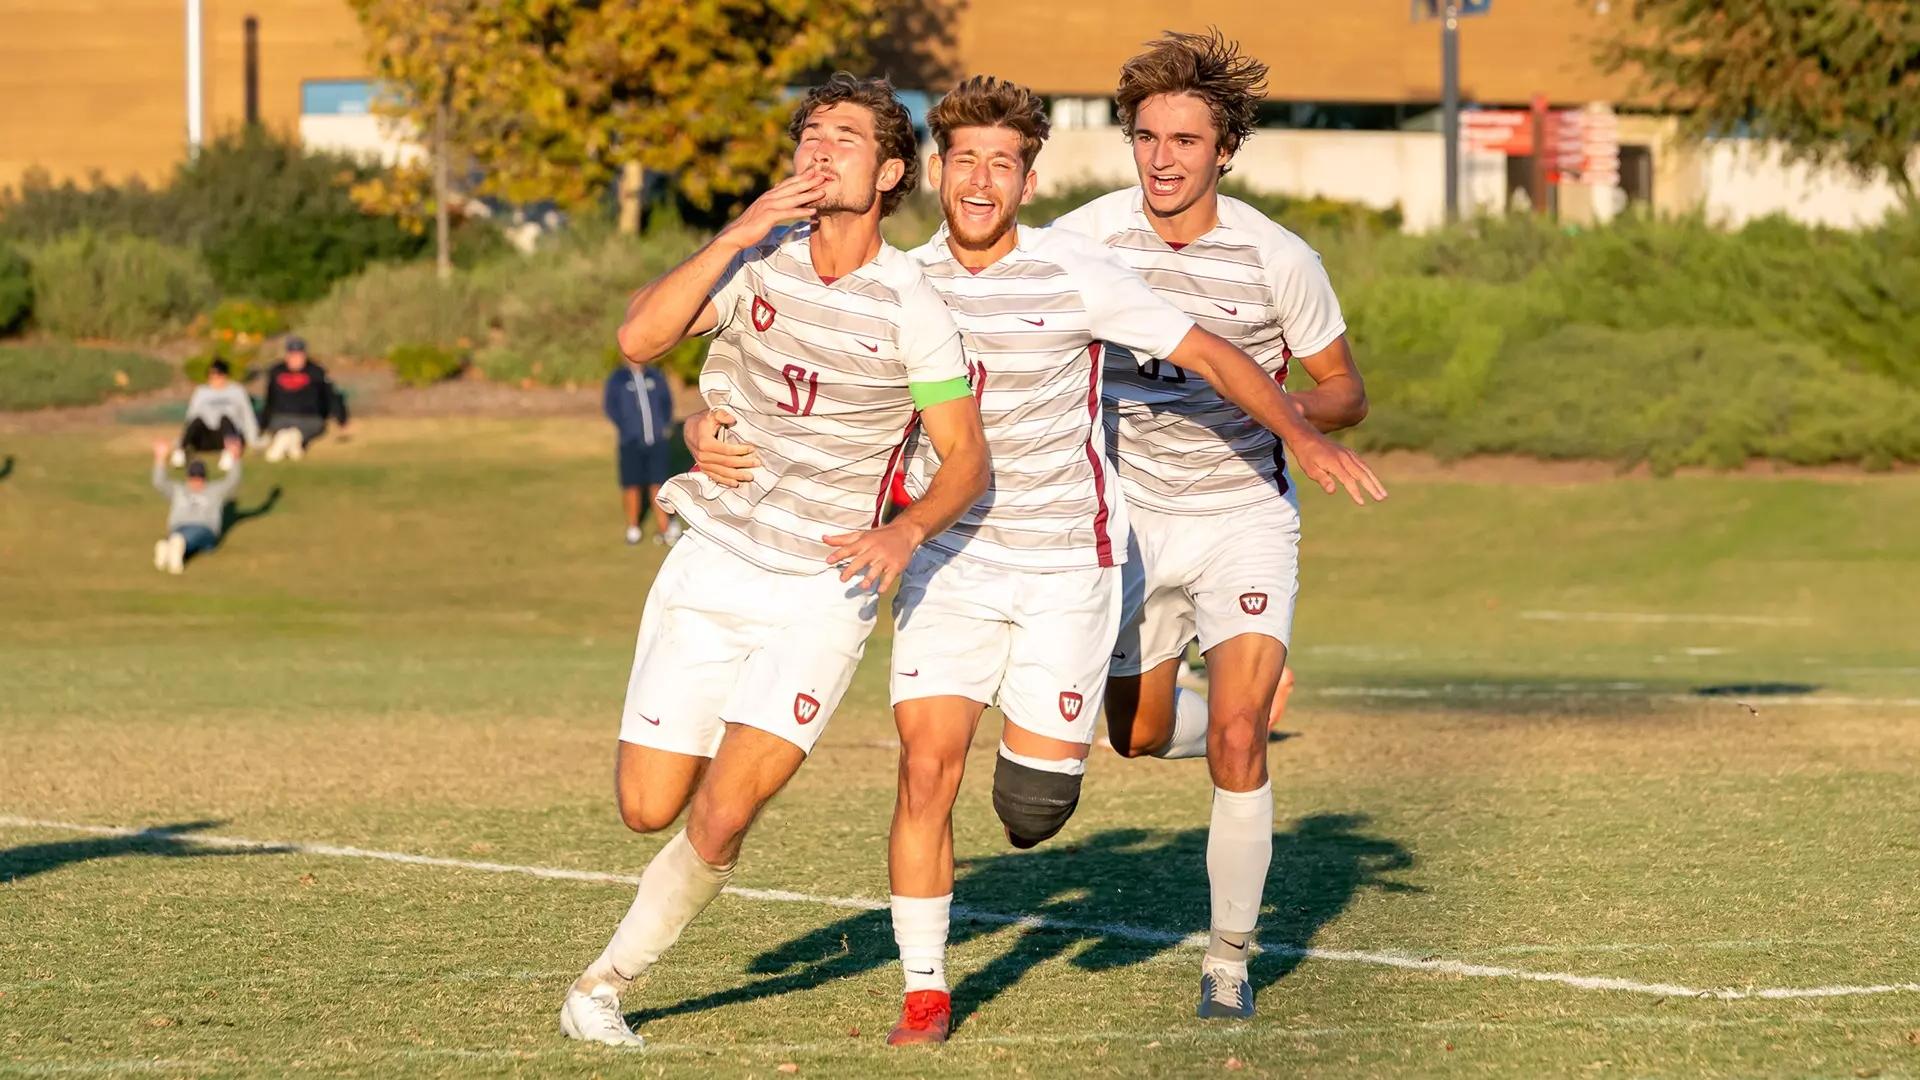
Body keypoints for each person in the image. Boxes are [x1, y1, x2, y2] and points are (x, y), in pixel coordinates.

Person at [687, 75, 1382, 1046]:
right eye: (963, 158)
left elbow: (1226, 358)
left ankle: (1229, 959)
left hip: (1136, 538)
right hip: (977, 555)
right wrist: (698, 421)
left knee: (1042, 808)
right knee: (950, 766)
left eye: (1001, 162)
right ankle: (925, 994)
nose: (1165, 156)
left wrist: (1305, 437)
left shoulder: (1146, 263)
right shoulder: (916, 276)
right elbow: (813, 385)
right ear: (932, 171)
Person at [556, 73, 989, 1050]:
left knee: (720, 816)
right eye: (810, 133)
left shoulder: (910, 303)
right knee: (645, 807)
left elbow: (967, 459)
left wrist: (905, 530)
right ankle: (619, 949)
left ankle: (602, 985)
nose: (819, 147)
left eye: (844, 137)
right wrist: (734, 236)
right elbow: (638, 339)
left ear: (887, 172)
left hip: (823, 590)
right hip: (712, 562)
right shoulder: (760, 260)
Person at [1050, 29, 1378, 1021]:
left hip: (1244, 516)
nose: (1162, 157)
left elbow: (1347, 392)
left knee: (1242, 737)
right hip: (1131, 519)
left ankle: (1228, 962)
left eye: (1185, 140)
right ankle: (1194, 697)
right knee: (1135, 737)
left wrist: (1278, 407)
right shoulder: (1085, 240)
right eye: (1146, 137)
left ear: (1224, 149)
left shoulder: (1279, 258)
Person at [601, 359, 677, 545]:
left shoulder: (655, 376)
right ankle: (633, 527)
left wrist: (661, 426)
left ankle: (665, 528)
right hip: (630, 442)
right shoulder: (618, 379)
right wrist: (626, 427)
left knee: (658, 483)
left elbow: (666, 404)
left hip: (656, 441)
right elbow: (611, 407)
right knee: (632, 484)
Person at [150, 438, 242, 574]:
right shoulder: (178, 490)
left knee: (193, 536)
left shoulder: (215, 491)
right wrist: (160, 459)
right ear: (188, 477)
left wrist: (235, 457)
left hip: (205, 530)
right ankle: (173, 549)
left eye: (199, 477)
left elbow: (233, 481)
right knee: (182, 536)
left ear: (204, 478)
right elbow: (159, 482)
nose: (196, 481)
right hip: (179, 527)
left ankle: (172, 546)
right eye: (193, 477)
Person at [258, 337, 350, 463]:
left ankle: (289, 439)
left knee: (306, 428)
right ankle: (292, 441)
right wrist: (263, 424)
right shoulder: (276, 372)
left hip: (309, 417)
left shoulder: (316, 372)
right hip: (281, 417)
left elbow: (330, 396)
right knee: (283, 428)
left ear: (305, 355)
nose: (296, 359)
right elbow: (270, 399)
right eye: (292, 355)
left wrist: (341, 418)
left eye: (299, 355)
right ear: (287, 355)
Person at [173, 359, 260, 470]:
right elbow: (191, 416)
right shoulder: (201, 392)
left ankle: (228, 453)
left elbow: (247, 415)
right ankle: (180, 451)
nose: (215, 379)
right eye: (211, 375)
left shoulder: (237, 391)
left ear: (225, 375)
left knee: (225, 418)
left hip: (228, 435)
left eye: (218, 374)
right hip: (207, 435)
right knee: (197, 420)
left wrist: (253, 439)